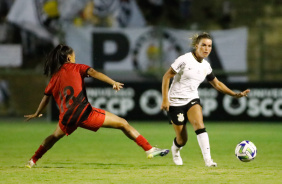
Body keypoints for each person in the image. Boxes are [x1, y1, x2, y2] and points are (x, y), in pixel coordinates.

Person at [25, 44, 169, 168]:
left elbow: (46, 98)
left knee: (53, 137)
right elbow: (93, 72)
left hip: (67, 117)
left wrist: (37, 113)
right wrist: (112, 82)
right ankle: (149, 149)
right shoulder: (76, 68)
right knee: (123, 123)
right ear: (69, 58)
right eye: (74, 56)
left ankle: (33, 160)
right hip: (84, 113)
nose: (75, 58)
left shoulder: (54, 77)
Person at [161, 32, 250, 167]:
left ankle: (208, 160)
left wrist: (234, 94)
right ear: (197, 46)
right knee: (182, 139)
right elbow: (166, 77)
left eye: (209, 46)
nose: (206, 49)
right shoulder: (184, 59)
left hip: (192, 99)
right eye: (203, 45)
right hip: (175, 102)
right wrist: (165, 100)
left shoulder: (206, 66)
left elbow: (217, 84)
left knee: (199, 125)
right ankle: (176, 149)